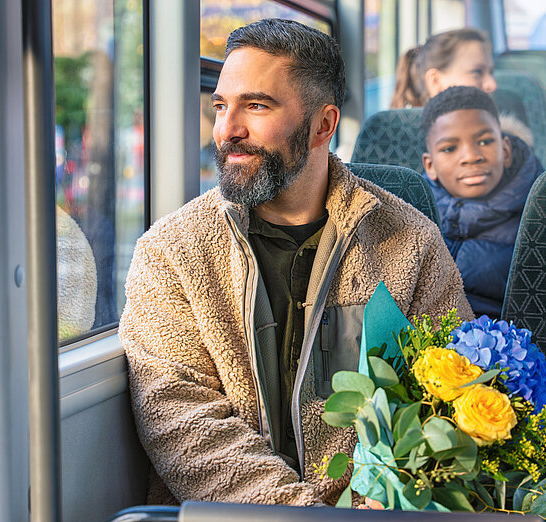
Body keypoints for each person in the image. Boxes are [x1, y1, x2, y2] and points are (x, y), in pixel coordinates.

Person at [119, 18, 473, 506]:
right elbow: (183, 424)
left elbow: (452, 403)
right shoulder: (173, 252)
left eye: (257, 106)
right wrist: (309, 518)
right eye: (220, 106)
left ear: (323, 125)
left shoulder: (408, 243)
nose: (227, 129)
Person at [421, 86, 543, 318]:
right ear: (430, 166)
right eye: (449, 148)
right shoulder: (410, 215)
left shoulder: (541, 216)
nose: (471, 156)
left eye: (485, 142)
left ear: (505, 150)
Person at [416, 28, 533, 147]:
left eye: (491, 72)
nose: (493, 85)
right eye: (477, 72)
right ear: (435, 80)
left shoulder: (512, 145)